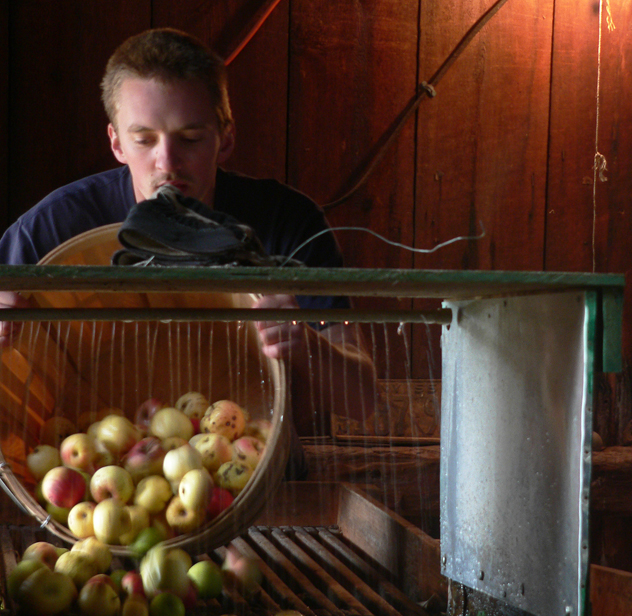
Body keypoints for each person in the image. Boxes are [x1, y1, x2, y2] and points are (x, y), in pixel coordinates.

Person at [0, 28, 376, 433]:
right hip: (85, 478)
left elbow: (363, 400)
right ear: (116, 144)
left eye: (191, 138)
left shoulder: (287, 222)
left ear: (225, 138)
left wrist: (306, 343)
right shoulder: (54, 227)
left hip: (262, 467)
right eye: (143, 140)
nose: (167, 162)